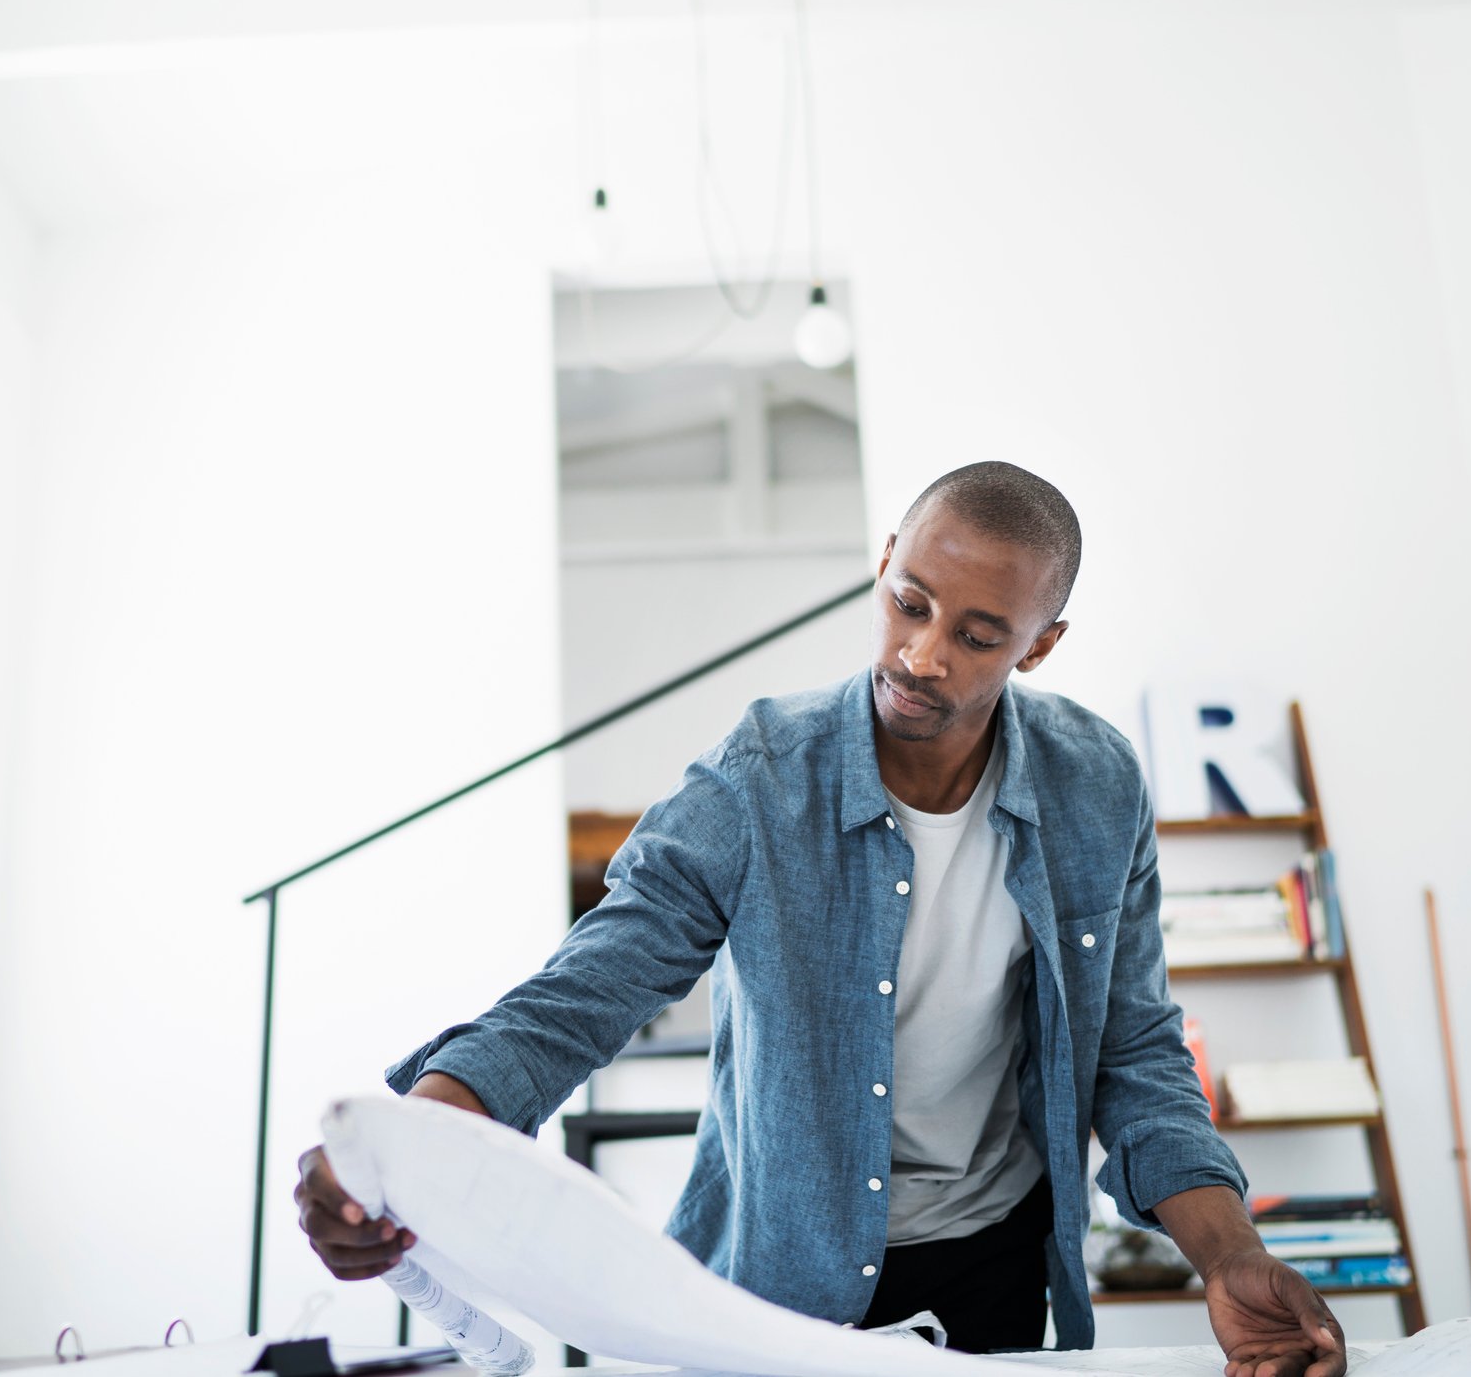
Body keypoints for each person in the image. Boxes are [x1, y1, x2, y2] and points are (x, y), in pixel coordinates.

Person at [296, 461, 1347, 1377]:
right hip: (777, 1273)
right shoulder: (756, 778)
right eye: (909, 601)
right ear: (886, 559)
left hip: (997, 1259)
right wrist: (405, 1151)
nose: (922, 654)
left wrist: (1226, 1252)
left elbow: (1131, 1046)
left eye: (978, 635)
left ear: (1038, 645)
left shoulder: (1096, 783)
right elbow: (585, 992)